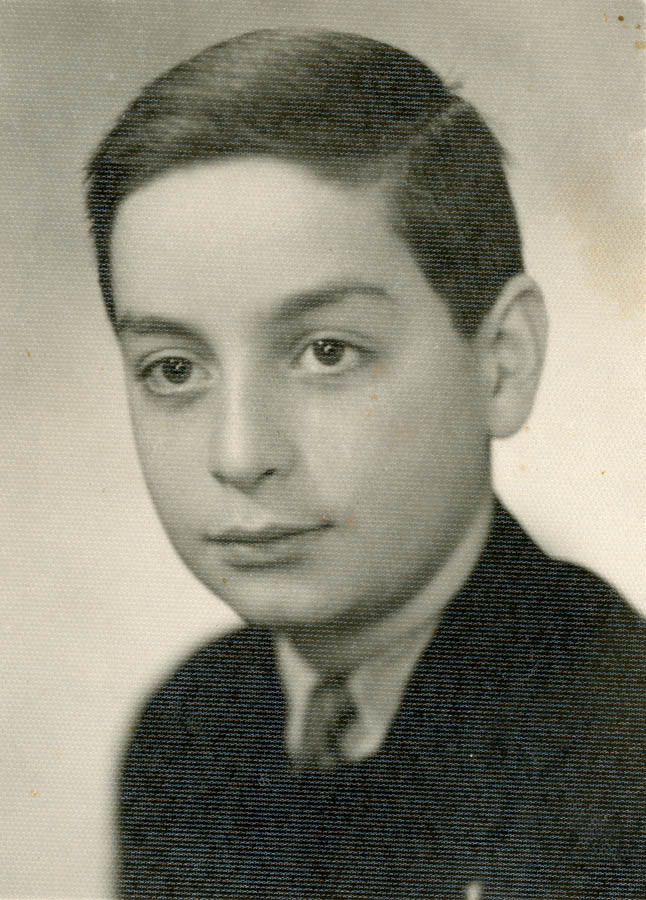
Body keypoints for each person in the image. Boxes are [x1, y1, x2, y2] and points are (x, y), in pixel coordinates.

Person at [86, 29, 646, 899]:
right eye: (174, 369)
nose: (240, 456)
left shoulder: (619, 750)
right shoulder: (190, 735)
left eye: (327, 352)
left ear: (502, 362)